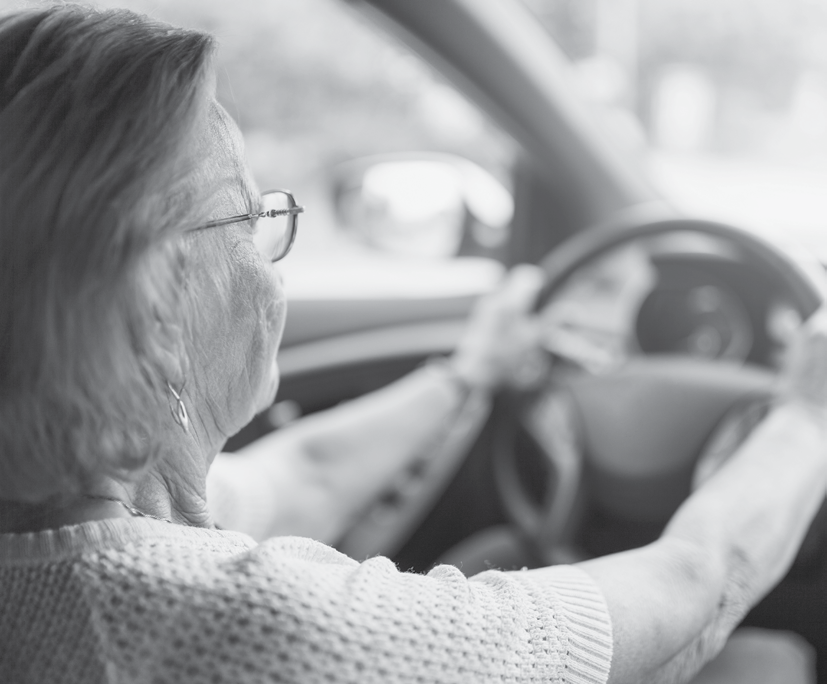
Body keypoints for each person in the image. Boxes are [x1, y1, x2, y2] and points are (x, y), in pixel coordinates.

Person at [0, 5, 826, 683]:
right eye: (251, 219)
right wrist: (804, 419)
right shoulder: (256, 632)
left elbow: (303, 474)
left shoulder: (54, 529)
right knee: (769, 661)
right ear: (153, 315)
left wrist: (469, 373)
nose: (272, 259)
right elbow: (690, 590)